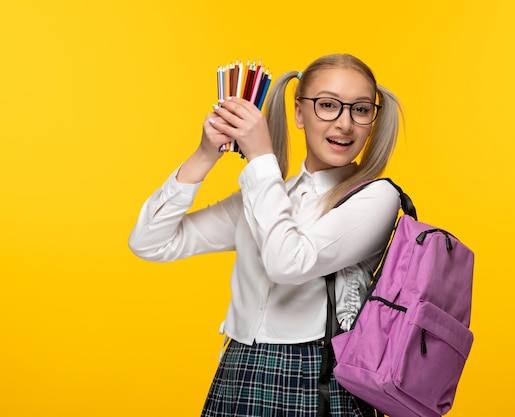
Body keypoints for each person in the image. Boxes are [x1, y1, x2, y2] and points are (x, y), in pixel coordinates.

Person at [129, 53, 403, 417]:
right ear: (298, 113)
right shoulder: (267, 195)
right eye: (327, 105)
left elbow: (287, 263)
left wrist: (261, 157)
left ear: (372, 120)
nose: (345, 123)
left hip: (315, 377)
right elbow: (150, 241)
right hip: (238, 368)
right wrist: (204, 154)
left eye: (361, 110)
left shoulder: (375, 197)